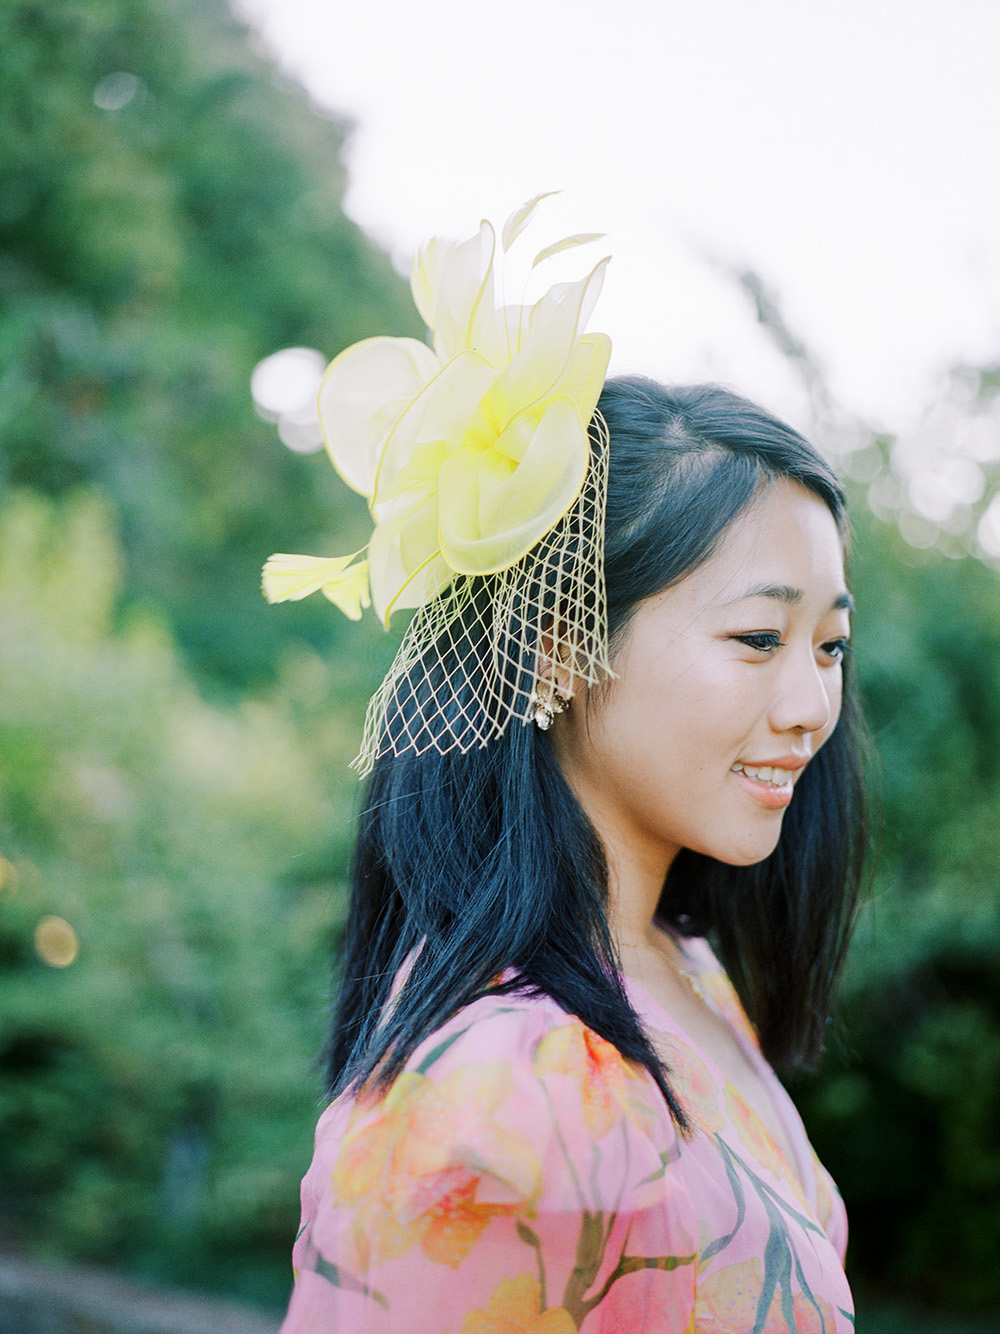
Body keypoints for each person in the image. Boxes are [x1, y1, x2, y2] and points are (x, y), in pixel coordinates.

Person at [264, 198, 868, 1333]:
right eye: (757, 638)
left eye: (829, 646)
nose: (811, 706)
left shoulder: (683, 966)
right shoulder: (484, 1084)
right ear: (561, 645)